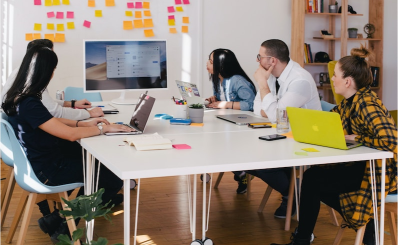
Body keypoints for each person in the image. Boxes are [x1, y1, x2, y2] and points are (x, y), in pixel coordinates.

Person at [1, 45, 135, 243]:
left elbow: (53, 122)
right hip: (47, 171)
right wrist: (102, 129)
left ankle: (58, 219)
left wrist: (84, 123)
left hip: (39, 161)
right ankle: (63, 223)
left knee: (97, 166)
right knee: (109, 176)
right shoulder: (30, 103)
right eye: (53, 69)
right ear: (46, 71)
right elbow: (71, 135)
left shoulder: (18, 97)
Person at [271, 45, 398, 245]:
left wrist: (357, 138)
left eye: (335, 75)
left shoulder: (366, 104)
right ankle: (367, 230)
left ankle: (306, 239)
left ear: (347, 81)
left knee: (313, 180)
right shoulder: (349, 102)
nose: (331, 78)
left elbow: (391, 140)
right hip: (362, 165)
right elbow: (329, 122)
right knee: (315, 179)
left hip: (378, 171)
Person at [245, 39, 322, 219]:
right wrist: (272, 108)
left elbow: (274, 114)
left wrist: (263, 86)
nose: (257, 61)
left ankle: (295, 195)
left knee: (262, 164)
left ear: (272, 61)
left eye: (260, 57)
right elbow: (257, 108)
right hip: (283, 134)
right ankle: (292, 190)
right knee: (247, 159)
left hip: (303, 139)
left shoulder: (299, 80)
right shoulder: (272, 76)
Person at [0, 39, 104, 120]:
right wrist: (89, 113)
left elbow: (43, 103)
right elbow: (56, 113)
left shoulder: (20, 73)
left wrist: (71, 104)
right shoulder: (32, 79)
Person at [205, 48, 257, 194]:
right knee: (215, 141)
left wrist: (225, 104)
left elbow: (251, 104)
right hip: (228, 122)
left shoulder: (237, 81)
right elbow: (225, 99)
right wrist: (216, 99)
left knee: (220, 145)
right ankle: (240, 173)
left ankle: (242, 173)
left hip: (243, 126)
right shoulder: (218, 79)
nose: (207, 64)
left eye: (210, 61)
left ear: (221, 65)